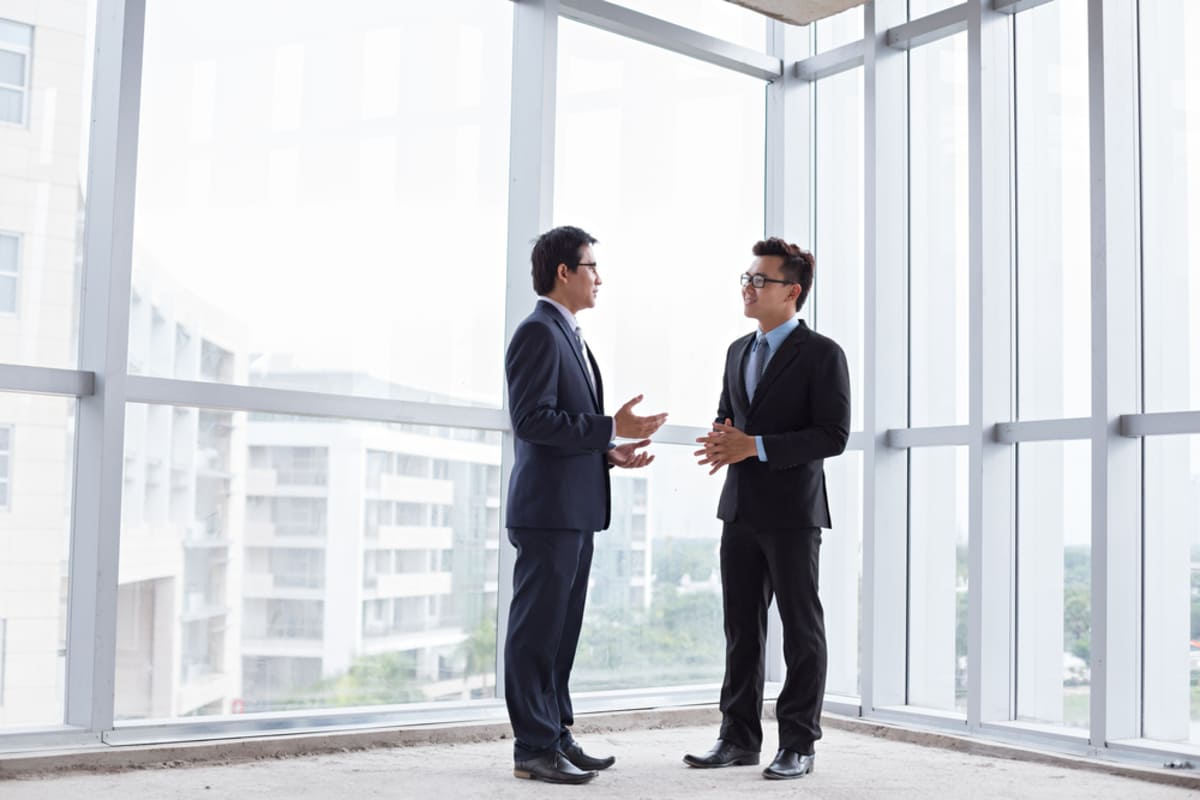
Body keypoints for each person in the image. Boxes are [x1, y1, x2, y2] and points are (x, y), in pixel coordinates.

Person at [504, 225, 667, 784]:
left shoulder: (569, 335)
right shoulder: (538, 333)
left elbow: (564, 431)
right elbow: (530, 421)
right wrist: (607, 426)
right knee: (536, 632)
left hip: (573, 509)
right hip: (548, 512)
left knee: (560, 632)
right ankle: (533, 746)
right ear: (564, 273)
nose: (599, 277)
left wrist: (609, 451)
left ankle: (555, 732)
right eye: (591, 266)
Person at [685, 238, 850, 781]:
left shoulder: (822, 354)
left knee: (801, 631)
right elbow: (728, 413)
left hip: (792, 511)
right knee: (741, 628)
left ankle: (798, 743)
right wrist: (722, 439)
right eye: (747, 278)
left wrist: (753, 445)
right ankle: (737, 738)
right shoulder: (738, 350)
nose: (749, 288)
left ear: (792, 292)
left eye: (761, 280)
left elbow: (832, 434)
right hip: (739, 508)